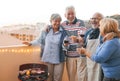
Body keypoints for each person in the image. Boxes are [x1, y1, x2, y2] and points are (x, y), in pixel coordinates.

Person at [23, 13, 67, 81]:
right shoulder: (46, 30)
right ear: (51, 21)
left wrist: (65, 45)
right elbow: (39, 40)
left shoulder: (63, 32)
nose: (57, 23)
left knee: (57, 79)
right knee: (48, 78)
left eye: (59, 21)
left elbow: (65, 44)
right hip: (48, 59)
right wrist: (30, 43)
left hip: (59, 60)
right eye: (55, 21)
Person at [62, 5, 87, 81]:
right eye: (68, 14)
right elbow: (62, 38)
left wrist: (77, 39)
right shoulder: (63, 25)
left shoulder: (80, 23)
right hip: (69, 55)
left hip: (80, 55)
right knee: (71, 78)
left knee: (82, 78)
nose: (71, 16)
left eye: (72, 13)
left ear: (75, 13)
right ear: (65, 15)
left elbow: (82, 37)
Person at [83, 12, 104, 81]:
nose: (93, 21)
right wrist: (79, 41)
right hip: (89, 61)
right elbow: (85, 44)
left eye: (96, 19)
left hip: (100, 63)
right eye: (92, 19)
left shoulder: (104, 32)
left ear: (102, 20)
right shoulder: (88, 32)